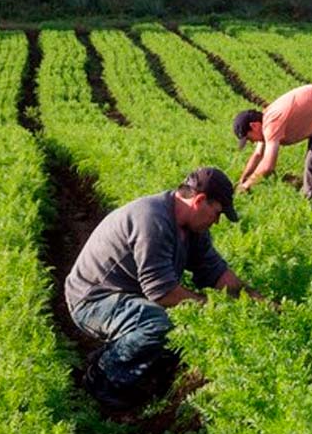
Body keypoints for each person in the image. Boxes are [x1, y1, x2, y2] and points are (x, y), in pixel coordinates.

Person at [66, 167, 259, 408]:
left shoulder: (192, 228)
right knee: (156, 323)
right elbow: (162, 293)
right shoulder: (153, 220)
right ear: (199, 201)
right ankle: (102, 379)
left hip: (127, 296)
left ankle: (124, 358)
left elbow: (216, 272)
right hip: (92, 300)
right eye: (217, 213)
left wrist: (255, 300)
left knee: (170, 331)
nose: (217, 221)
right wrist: (211, 306)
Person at [233, 83, 312, 201]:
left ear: (254, 126)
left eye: (249, 138)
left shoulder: (272, 122)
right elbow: (258, 155)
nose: (252, 142)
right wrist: (243, 179)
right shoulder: (265, 119)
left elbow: (268, 165)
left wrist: (247, 186)